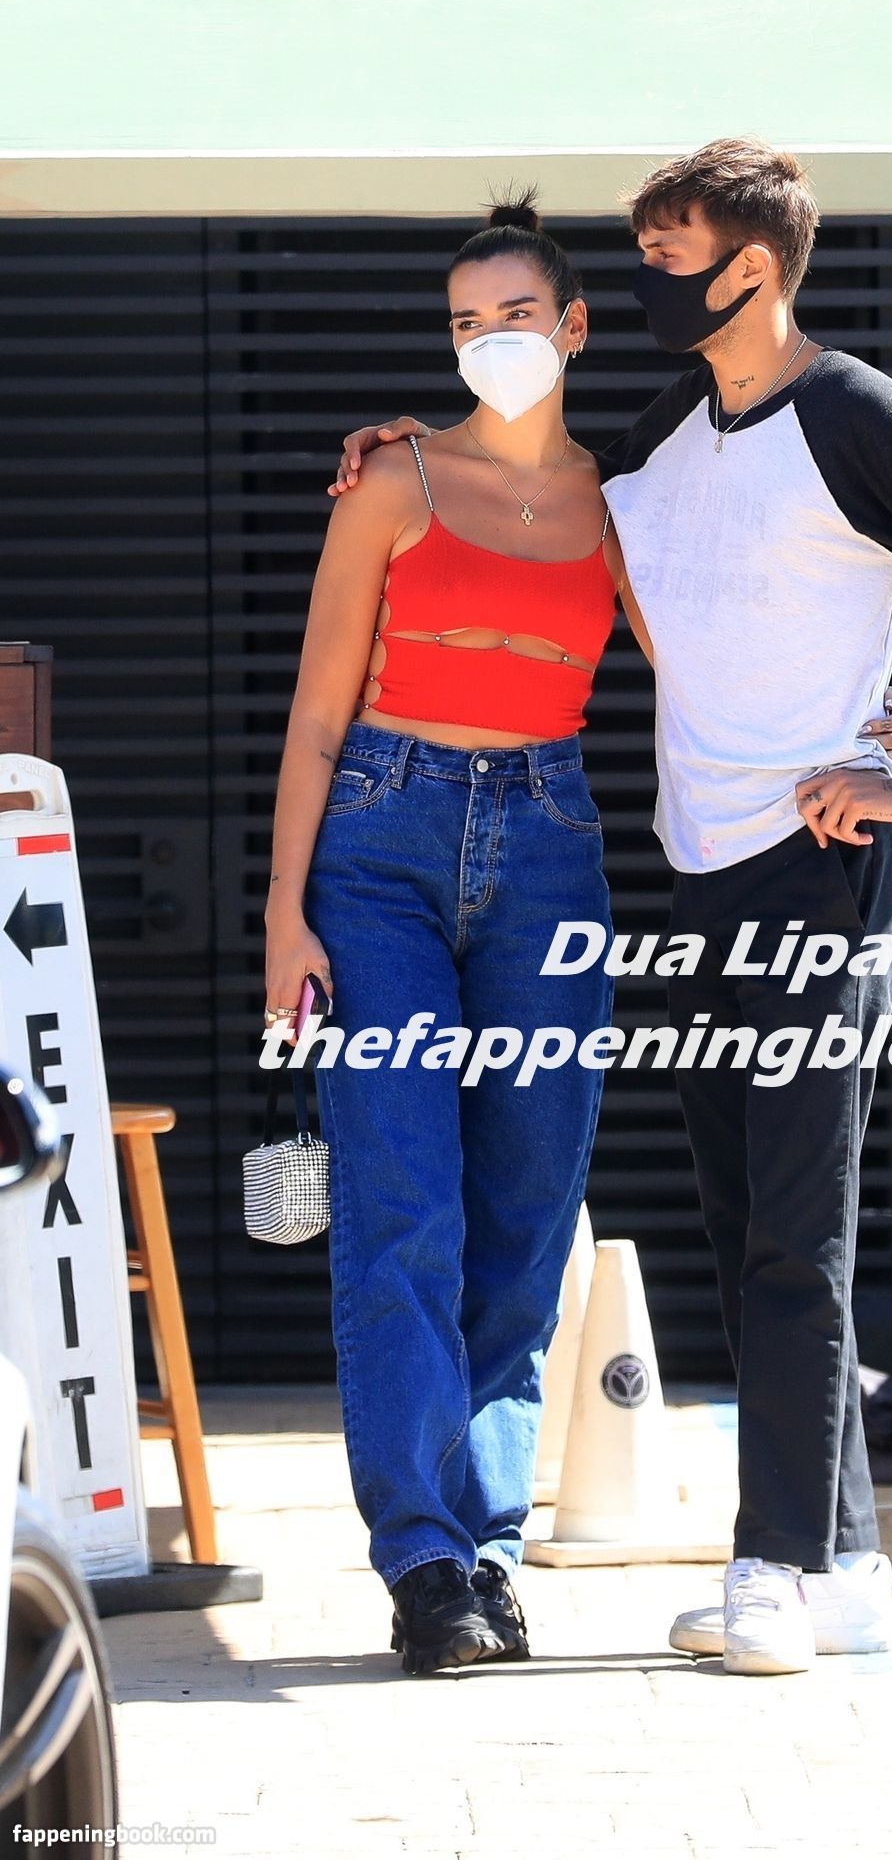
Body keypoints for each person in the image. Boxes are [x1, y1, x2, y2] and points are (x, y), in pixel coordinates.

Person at [330, 138, 892, 1676]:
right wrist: (411, 443)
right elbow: (549, 476)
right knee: (743, 1223)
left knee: (798, 1228)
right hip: (700, 864)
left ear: (755, 268)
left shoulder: (854, 412)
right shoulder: (675, 423)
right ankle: (844, 1558)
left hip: (819, 864)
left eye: (672, 258)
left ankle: (772, 1566)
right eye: (645, 258)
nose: (652, 281)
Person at [264, 196, 644, 1677]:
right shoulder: (394, 480)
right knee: (405, 1202)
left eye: (516, 315)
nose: (491, 339)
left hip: (550, 847)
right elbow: (315, 713)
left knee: (530, 1209)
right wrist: (285, 912)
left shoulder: (624, 503)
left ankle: (491, 1548)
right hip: (379, 845)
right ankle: (425, 1561)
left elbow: (718, 655)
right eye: (465, 321)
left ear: (574, 327)